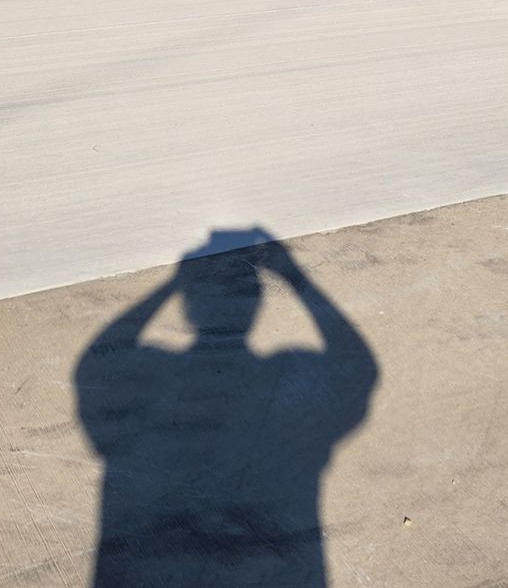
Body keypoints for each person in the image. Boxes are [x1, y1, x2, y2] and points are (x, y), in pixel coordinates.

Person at [75, 232, 378, 587]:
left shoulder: (156, 378)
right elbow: (357, 367)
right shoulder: (286, 383)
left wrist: (171, 285)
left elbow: (99, 360)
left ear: (188, 309)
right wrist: (294, 276)